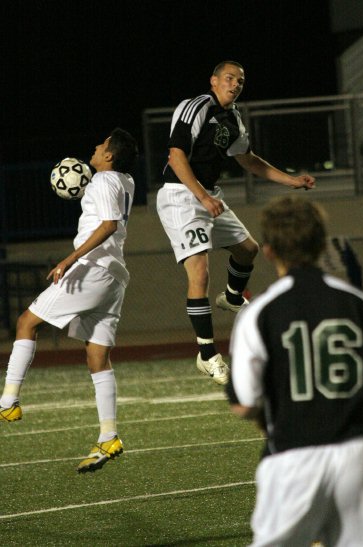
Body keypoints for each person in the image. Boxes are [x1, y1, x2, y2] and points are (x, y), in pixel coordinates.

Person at [227, 195, 363, 546]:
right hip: (356, 456)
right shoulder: (357, 303)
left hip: (291, 460)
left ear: (268, 251)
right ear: (319, 245)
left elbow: (244, 403)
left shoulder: (259, 313)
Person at [156, 61, 316, 385]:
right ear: (213, 80)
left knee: (247, 249)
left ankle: (230, 297)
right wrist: (202, 197)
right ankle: (207, 355)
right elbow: (176, 156)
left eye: (240, 81)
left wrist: (291, 180)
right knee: (199, 271)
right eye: (229, 78)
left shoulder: (233, 118)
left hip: (207, 195)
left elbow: (248, 159)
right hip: (181, 196)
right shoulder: (196, 107)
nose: (235, 84)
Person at [0, 128, 138, 474]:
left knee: (26, 322)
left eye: (101, 144)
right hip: (115, 276)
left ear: (109, 156)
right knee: (97, 357)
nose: (94, 146)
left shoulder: (104, 182)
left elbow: (107, 225)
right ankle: (109, 435)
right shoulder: (125, 182)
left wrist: (69, 259)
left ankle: (8, 401)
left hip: (93, 268)